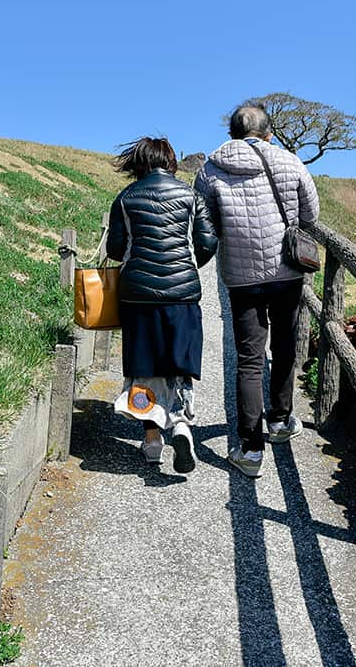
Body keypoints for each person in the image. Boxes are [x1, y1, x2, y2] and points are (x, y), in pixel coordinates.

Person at [193, 103, 319, 477]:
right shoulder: (291, 162)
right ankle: (279, 421)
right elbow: (310, 215)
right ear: (269, 133)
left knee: (249, 358)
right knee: (285, 345)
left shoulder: (210, 170)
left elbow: (205, 223)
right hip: (286, 272)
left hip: (240, 275)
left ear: (232, 133)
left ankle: (250, 451)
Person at [106, 137, 217, 473]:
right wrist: (187, 265)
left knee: (144, 367)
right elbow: (207, 242)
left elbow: (115, 248)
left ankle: (153, 440)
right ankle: (181, 424)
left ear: (138, 162)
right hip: (182, 296)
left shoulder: (126, 197)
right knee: (178, 364)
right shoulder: (191, 196)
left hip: (137, 295)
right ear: (170, 162)